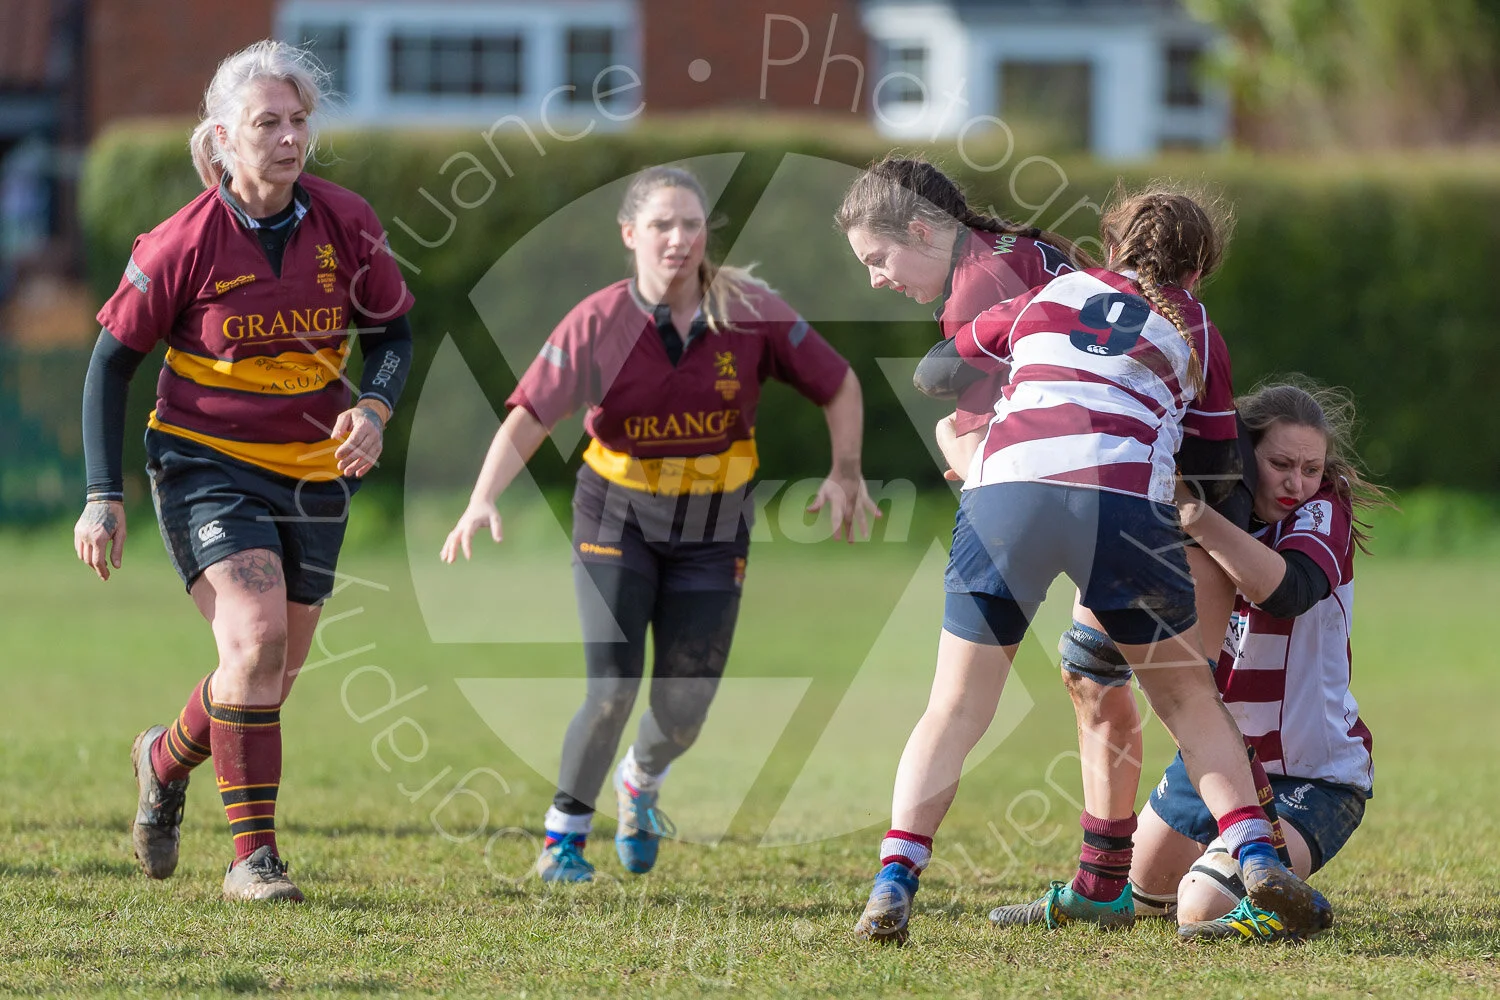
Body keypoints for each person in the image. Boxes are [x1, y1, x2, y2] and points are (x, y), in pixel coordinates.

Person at [848, 184, 1331, 945]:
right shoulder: (1195, 325)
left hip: (1007, 493)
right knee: (1189, 705)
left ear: (1112, 244)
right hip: (1123, 506)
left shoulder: (1057, 290)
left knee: (955, 708)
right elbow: (1211, 467)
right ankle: (1262, 863)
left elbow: (938, 372)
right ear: (1198, 269)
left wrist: (1021, 371)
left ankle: (892, 883)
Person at [441, 165, 878, 883]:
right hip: (615, 515)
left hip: (715, 524)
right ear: (630, 234)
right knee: (611, 687)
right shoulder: (597, 321)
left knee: (684, 710)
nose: (679, 239)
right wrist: (483, 496)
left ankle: (640, 781)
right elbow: (531, 416)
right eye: (662, 225)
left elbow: (839, 383)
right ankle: (563, 841)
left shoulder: (750, 310)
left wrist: (847, 472)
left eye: (692, 225)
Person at [72, 40, 414, 902]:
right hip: (205, 464)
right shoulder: (182, 241)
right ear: (224, 137)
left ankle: (161, 758)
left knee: (261, 680)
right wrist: (101, 497)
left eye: (300, 121)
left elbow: (395, 338)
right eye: (269, 122)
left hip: (314, 474)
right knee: (253, 641)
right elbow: (110, 365)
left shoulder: (347, 222)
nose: (290, 137)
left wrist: (372, 410)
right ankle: (252, 863)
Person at [1126, 380, 1383, 942]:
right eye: (1280, 463)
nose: (1297, 483)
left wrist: (1193, 514)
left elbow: (1286, 590)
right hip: (1220, 763)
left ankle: (1287, 905)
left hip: (1311, 773)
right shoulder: (1224, 515)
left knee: (1200, 908)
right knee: (1141, 896)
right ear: (1243, 458)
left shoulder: (1321, 515)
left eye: (1310, 468)